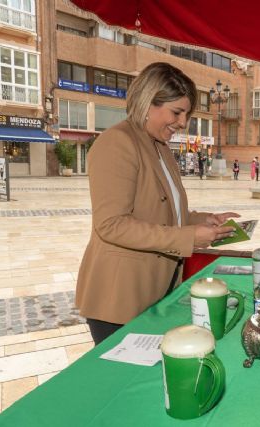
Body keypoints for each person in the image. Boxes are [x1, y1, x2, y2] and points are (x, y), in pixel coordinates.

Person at [75, 62, 239, 346]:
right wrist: (190, 237)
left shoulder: (160, 147)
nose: (182, 123)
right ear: (148, 103)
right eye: (177, 112)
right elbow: (112, 225)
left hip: (153, 290)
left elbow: (164, 212)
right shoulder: (118, 142)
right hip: (119, 298)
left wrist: (203, 220)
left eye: (186, 114)